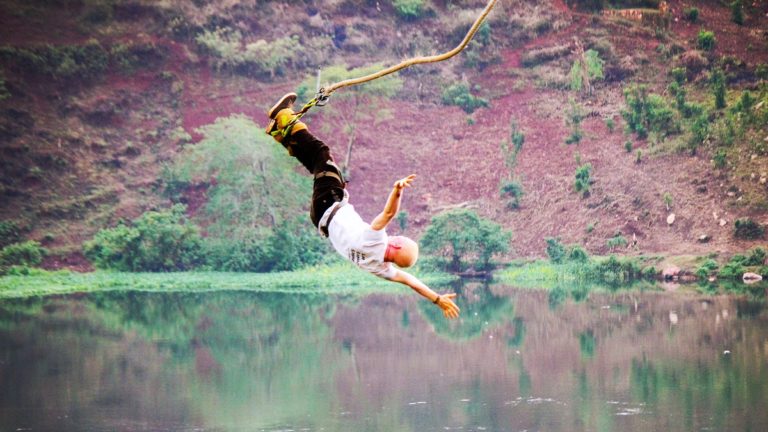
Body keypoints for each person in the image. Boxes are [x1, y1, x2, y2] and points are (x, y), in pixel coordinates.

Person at [265, 92, 460, 319]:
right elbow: (410, 281)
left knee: (322, 153)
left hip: (330, 203)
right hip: (319, 218)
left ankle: (284, 117)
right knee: (318, 166)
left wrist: (397, 190)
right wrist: (436, 299)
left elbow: (388, 214)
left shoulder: (376, 241)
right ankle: (282, 135)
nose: (395, 237)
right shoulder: (379, 267)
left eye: (399, 239)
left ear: (395, 247)